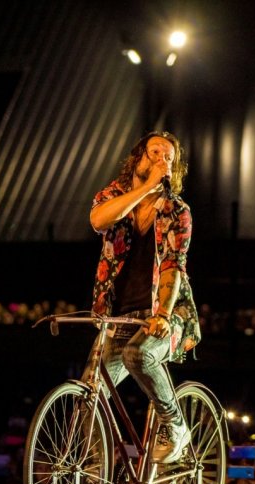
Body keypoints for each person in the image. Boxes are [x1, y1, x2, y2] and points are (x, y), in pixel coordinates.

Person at [88, 131, 200, 463]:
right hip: (118, 315)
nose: (161, 160)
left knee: (139, 355)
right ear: (138, 158)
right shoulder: (115, 194)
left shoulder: (177, 211)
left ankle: (175, 425)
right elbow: (98, 220)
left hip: (165, 314)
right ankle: (96, 477)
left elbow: (172, 266)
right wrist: (146, 189)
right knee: (89, 396)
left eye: (168, 157)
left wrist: (163, 315)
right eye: (154, 153)